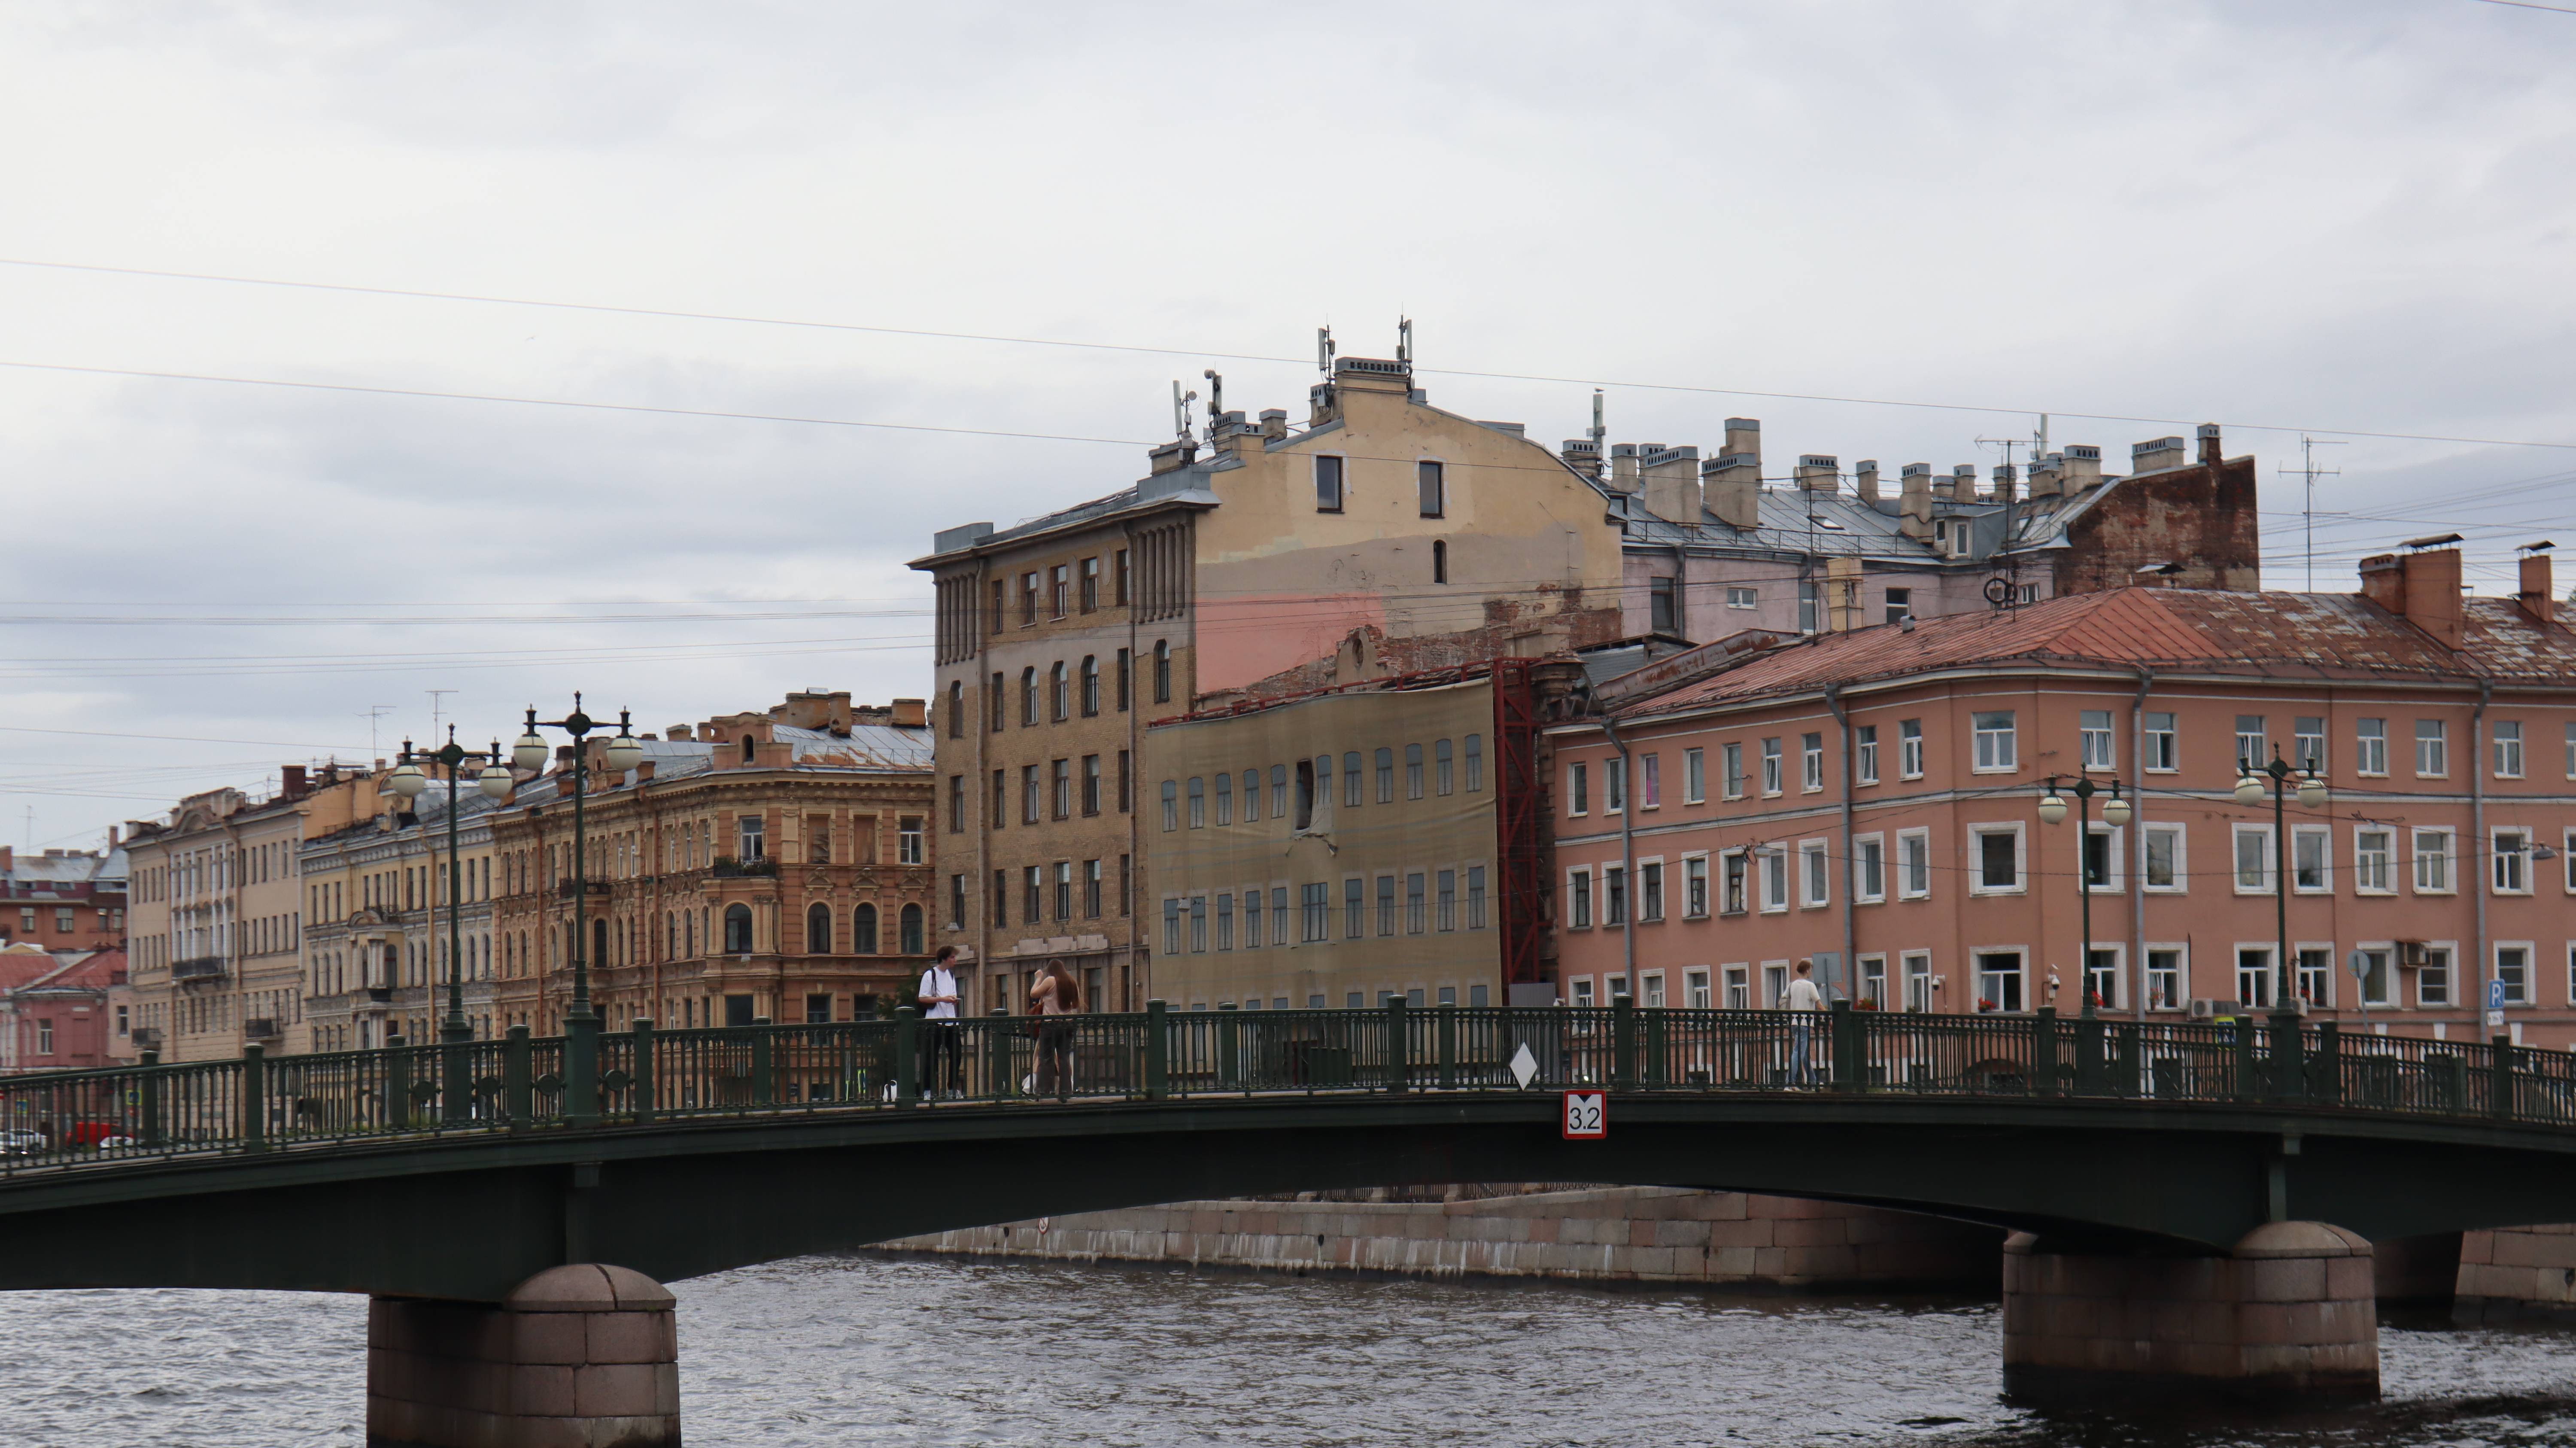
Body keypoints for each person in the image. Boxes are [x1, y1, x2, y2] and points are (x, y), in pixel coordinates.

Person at [1027, 958, 1082, 1100]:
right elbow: (1076, 1006)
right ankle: (1065, 1092)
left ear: (1051, 971)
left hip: (1050, 1025)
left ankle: (1042, 1091)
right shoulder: (1071, 981)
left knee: (1045, 1057)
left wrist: (1039, 978)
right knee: (1064, 1058)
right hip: (1068, 1024)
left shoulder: (1051, 980)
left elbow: (1034, 994)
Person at [917, 945, 964, 1098]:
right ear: (944, 959)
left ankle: (952, 1089)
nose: (955, 960)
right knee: (931, 1057)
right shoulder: (930, 975)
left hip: (951, 1021)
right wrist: (942, 999)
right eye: (952, 958)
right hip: (934, 1021)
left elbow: (951, 995)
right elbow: (923, 998)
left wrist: (952, 1001)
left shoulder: (951, 975)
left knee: (956, 1055)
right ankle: (928, 1091)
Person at [1783, 958, 1827, 1086]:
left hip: (1794, 1023)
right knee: (1798, 1052)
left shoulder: (1792, 985)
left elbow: (1783, 1000)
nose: (1811, 972)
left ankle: (1813, 1081)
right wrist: (1828, 1018)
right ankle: (1790, 1082)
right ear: (1807, 971)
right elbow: (1819, 1005)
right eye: (1810, 970)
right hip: (1805, 1024)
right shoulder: (1810, 986)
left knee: (1804, 1053)